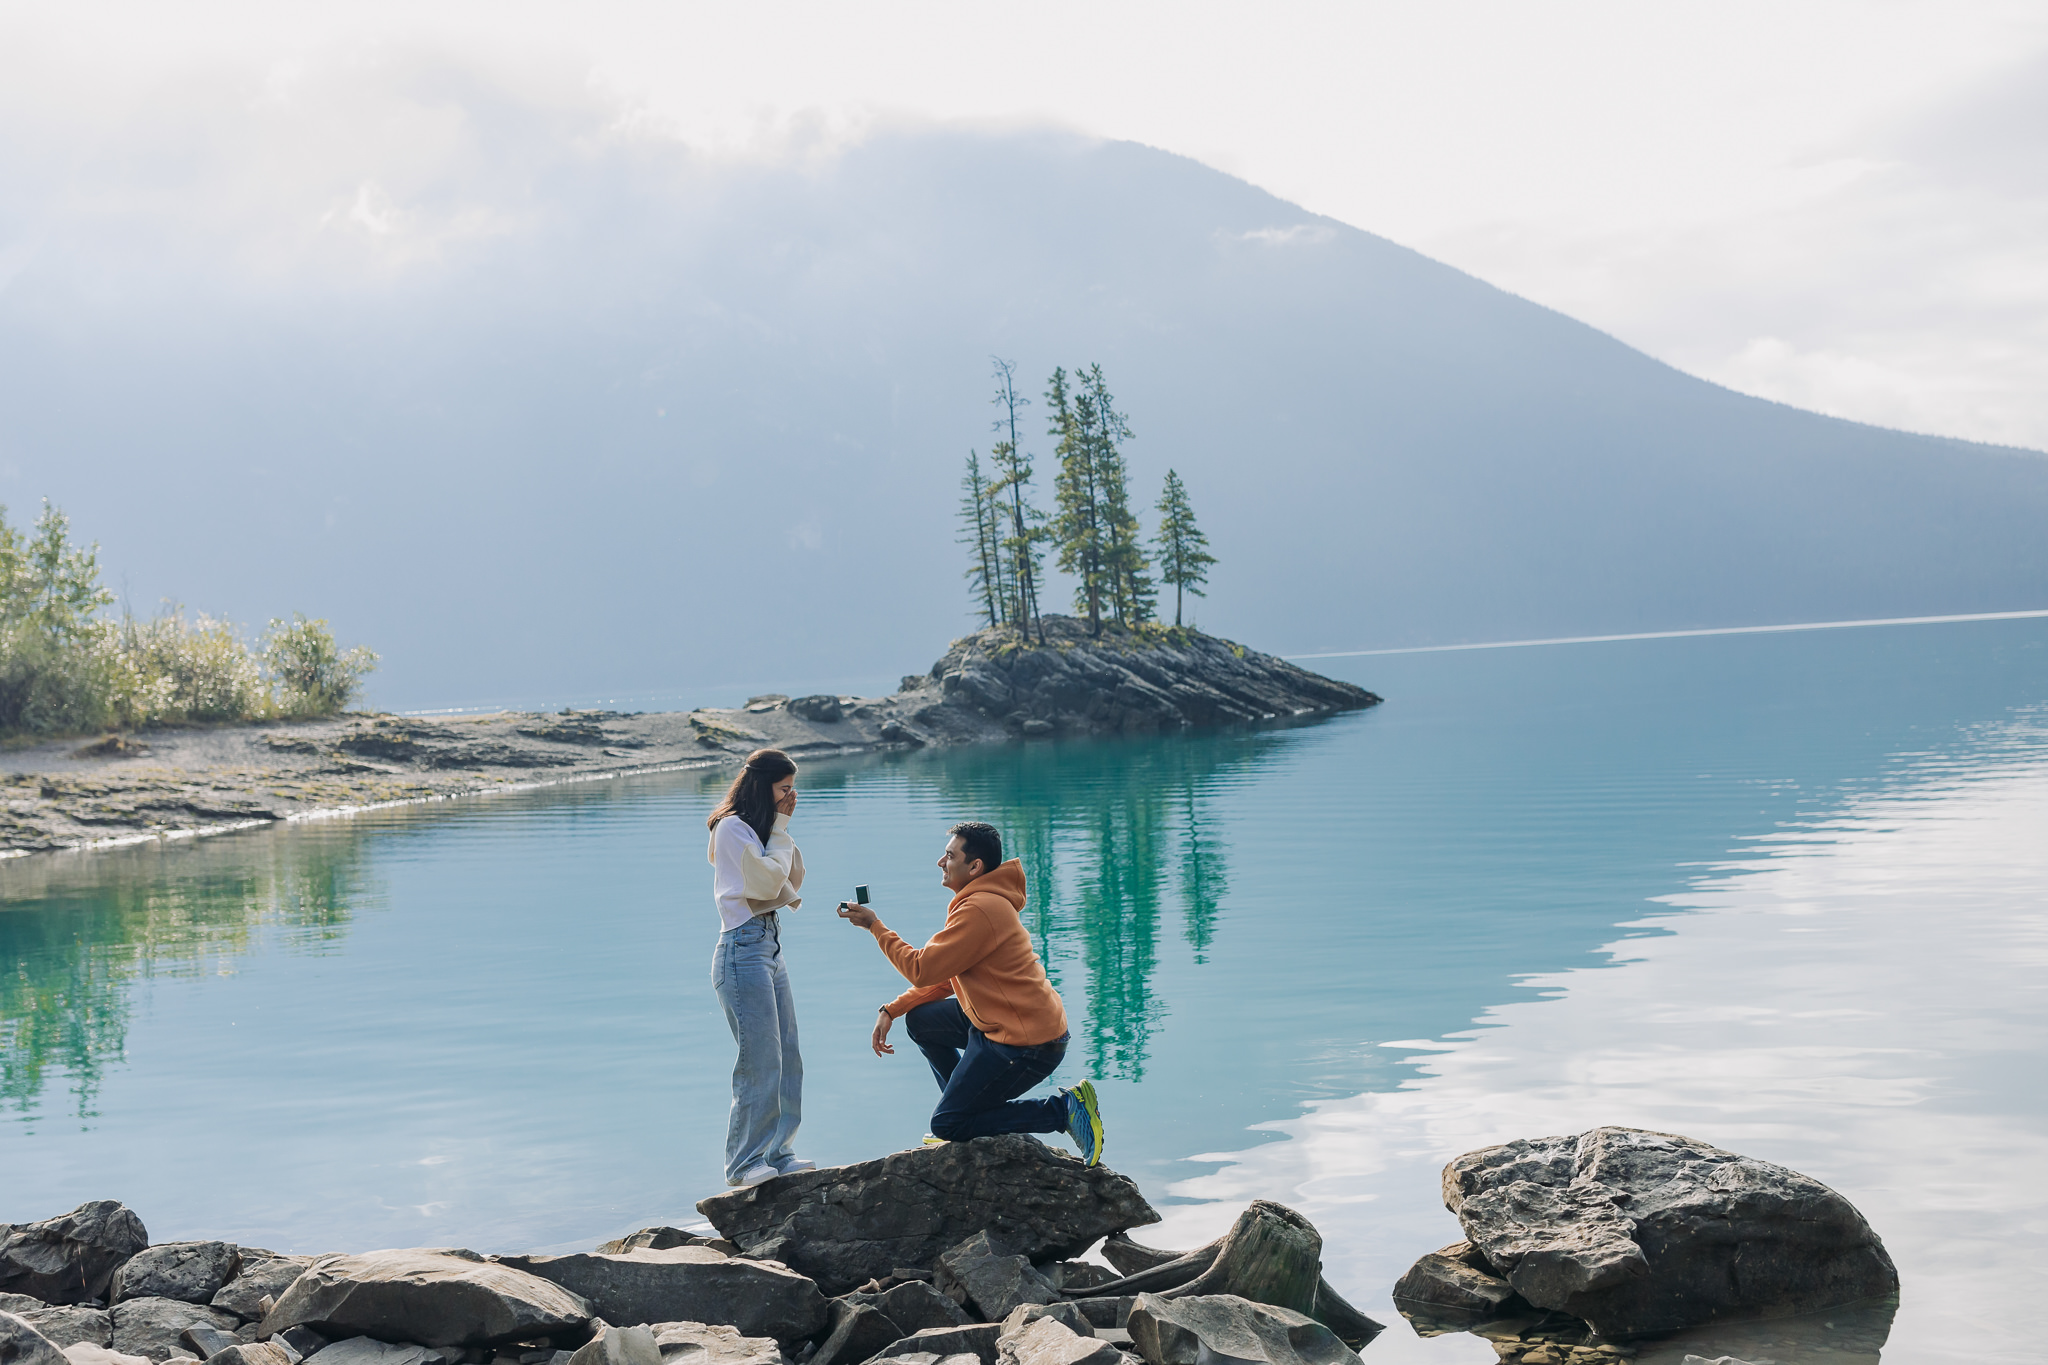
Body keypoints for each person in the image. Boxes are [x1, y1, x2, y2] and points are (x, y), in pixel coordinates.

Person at [837, 820, 1105, 1164]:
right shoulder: (978, 903)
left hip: (1028, 1044)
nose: (940, 862)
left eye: (949, 856)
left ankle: (1063, 1110)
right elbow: (949, 977)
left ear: (975, 866)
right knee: (921, 1021)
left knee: (949, 1122)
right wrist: (893, 1009)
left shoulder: (980, 909)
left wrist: (875, 926)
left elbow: (922, 968)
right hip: (998, 1023)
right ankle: (970, 1111)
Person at [706, 748, 815, 1187]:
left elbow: (794, 876)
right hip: (741, 949)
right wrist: (781, 828)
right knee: (760, 1060)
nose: (790, 797)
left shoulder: (758, 828)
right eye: (783, 789)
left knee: (789, 1055)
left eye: (792, 789)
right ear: (761, 786)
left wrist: (777, 828)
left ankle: (777, 1151)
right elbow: (770, 882)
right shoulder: (731, 827)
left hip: (769, 945)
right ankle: (744, 1163)